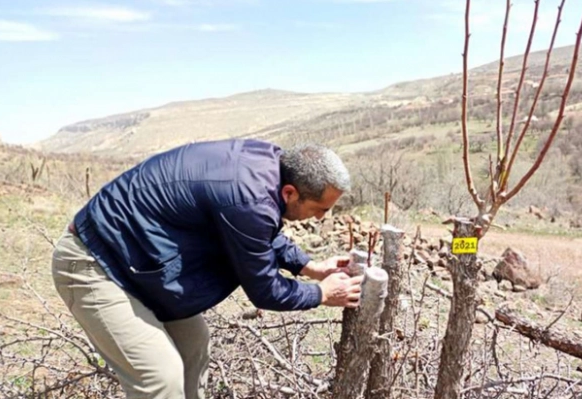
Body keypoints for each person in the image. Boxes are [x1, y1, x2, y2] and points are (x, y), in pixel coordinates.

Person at [51, 138, 363, 399]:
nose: (323, 217)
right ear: (290, 193)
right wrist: (321, 293)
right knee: (159, 377)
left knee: (193, 346)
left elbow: (253, 231)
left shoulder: (269, 174)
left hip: (137, 261)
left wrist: (310, 267)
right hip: (93, 264)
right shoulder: (248, 196)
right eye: (320, 208)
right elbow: (265, 290)